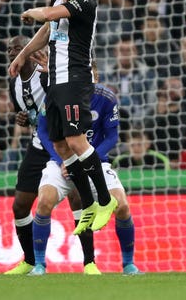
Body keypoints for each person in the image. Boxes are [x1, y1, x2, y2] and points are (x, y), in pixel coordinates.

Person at [8, 0, 117, 237]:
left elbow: (48, 15)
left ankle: (105, 200)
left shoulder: (86, 3)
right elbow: (47, 29)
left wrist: (34, 12)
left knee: (76, 140)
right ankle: (89, 203)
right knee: (60, 143)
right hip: (56, 80)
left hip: (74, 78)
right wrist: (23, 55)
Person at [28, 77, 143, 276]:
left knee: (122, 205)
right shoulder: (56, 96)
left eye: (90, 74)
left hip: (96, 162)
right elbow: (44, 132)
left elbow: (112, 136)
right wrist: (60, 159)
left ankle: (128, 265)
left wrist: (89, 160)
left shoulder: (106, 98)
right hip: (62, 162)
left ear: (95, 76)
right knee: (44, 201)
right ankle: (39, 265)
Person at [3, 36, 95, 275]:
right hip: (37, 146)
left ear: (28, 50)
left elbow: (61, 101)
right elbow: (30, 116)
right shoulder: (13, 83)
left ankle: (89, 263)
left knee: (77, 198)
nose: (12, 52)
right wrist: (21, 119)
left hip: (62, 144)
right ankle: (31, 261)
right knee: (20, 206)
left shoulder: (45, 75)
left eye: (17, 48)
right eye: (9, 49)